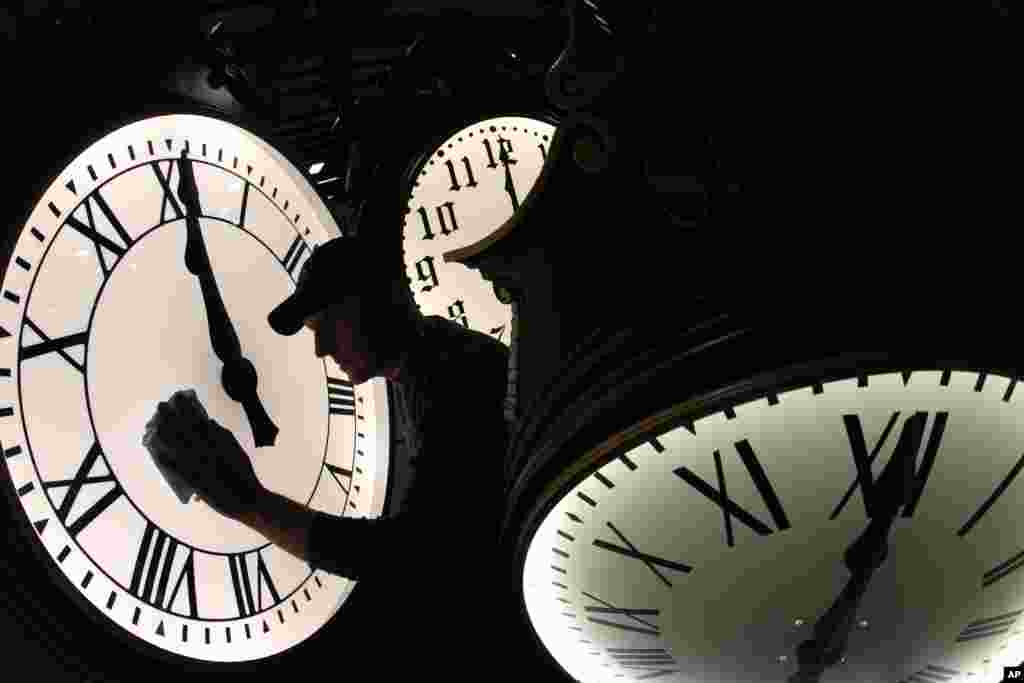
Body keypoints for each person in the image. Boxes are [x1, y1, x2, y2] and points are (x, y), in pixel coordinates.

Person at [151, 235, 510, 657]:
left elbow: (410, 554)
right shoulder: (437, 361)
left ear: (375, 301)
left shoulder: (443, 378)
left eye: (327, 323)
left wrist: (249, 503)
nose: (321, 349)